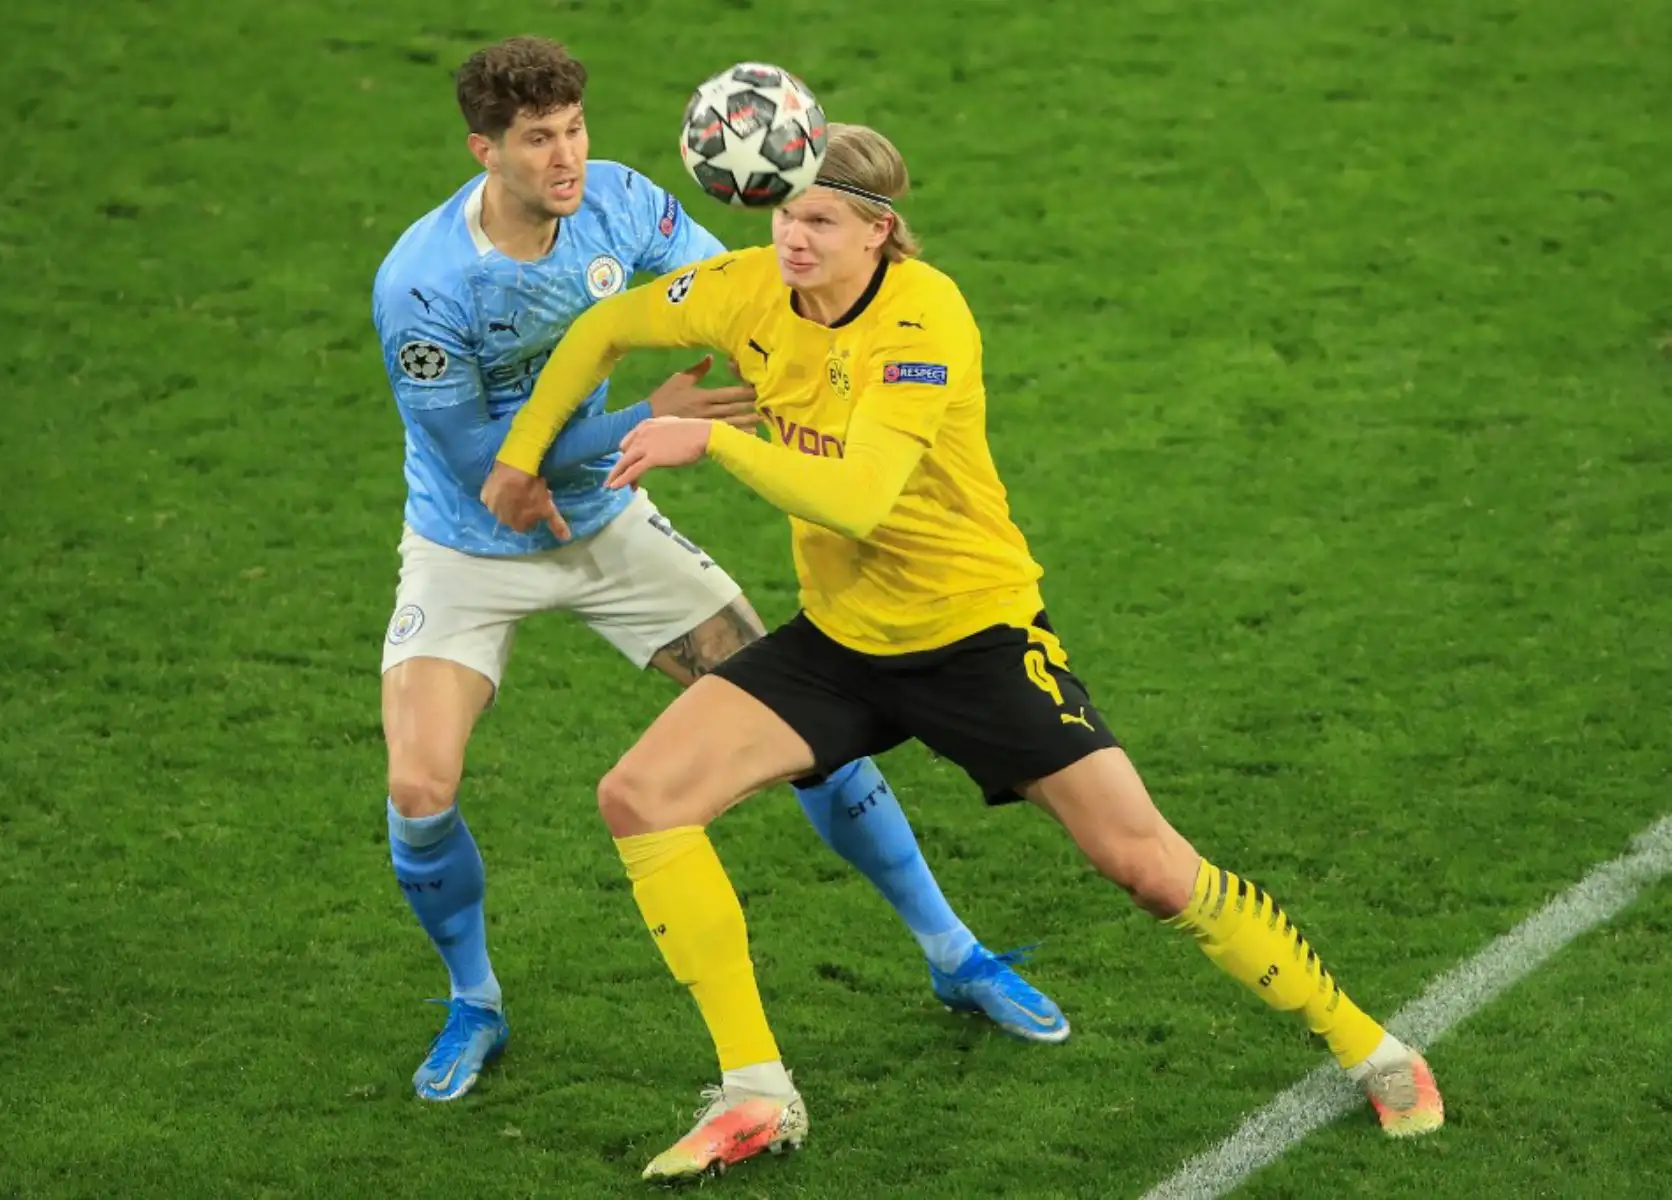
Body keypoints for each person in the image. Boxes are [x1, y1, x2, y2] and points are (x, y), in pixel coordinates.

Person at [482, 122, 1446, 1180]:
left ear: (879, 232)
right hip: (842, 643)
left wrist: (709, 438)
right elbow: (605, 328)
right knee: (641, 796)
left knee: (1150, 868)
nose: (790, 239)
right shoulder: (748, 289)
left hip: (973, 638)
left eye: (818, 220)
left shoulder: (923, 317)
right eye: (783, 213)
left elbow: (858, 500)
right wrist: (523, 461)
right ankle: (758, 1091)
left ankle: (1375, 1047)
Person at [369, 40, 1068, 1104]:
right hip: (471, 551)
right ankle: (474, 1000)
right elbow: (485, 473)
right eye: (538, 140)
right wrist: (647, 420)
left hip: (613, 531)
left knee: (813, 734)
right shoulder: (423, 286)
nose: (568, 158)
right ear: (485, 151)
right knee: (420, 787)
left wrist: (838, 406)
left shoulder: (622, 205)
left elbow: (750, 309)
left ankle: (954, 951)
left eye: (575, 128)